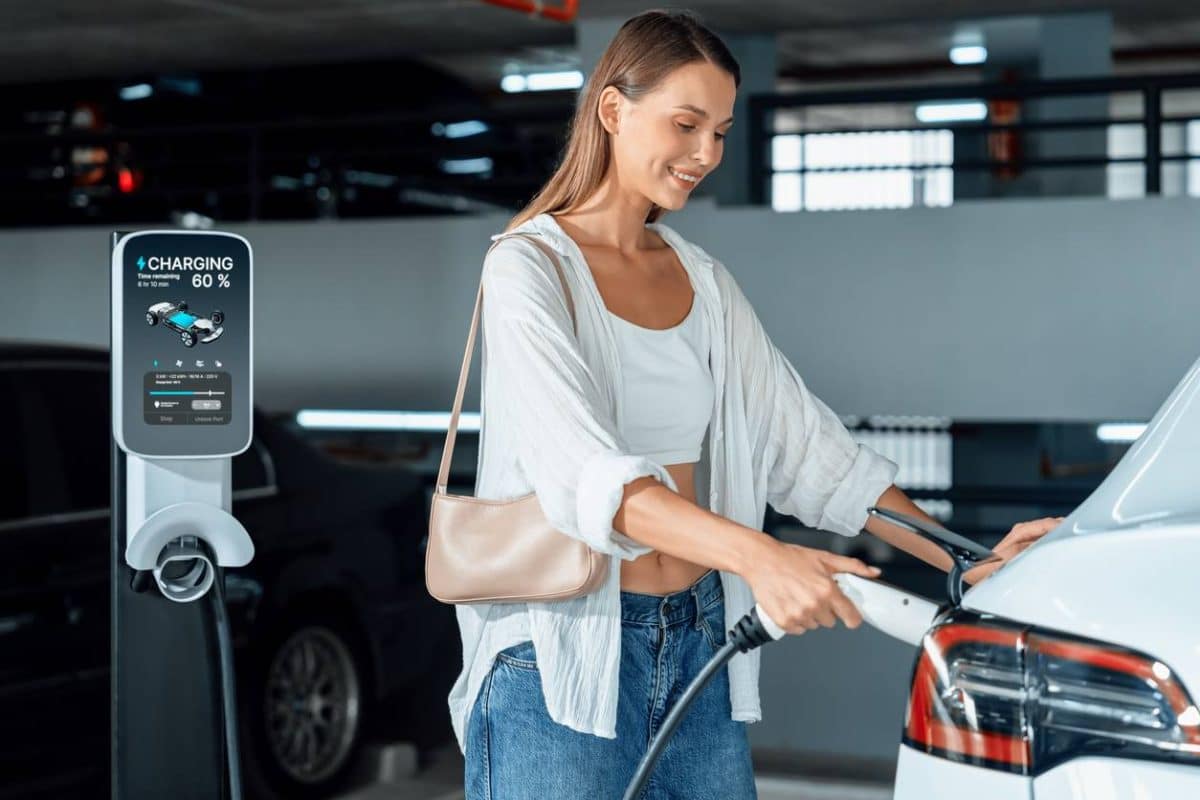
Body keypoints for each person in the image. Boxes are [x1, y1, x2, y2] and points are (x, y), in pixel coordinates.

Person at [449, 9, 1059, 799]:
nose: (707, 153)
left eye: (722, 130)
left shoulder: (704, 281)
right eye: (686, 123)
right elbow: (584, 474)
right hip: (555, 657)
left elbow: (809, 453)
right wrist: (762, 556)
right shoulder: (527, 269)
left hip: (700, 634)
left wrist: (967, 563)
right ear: (612, 110)